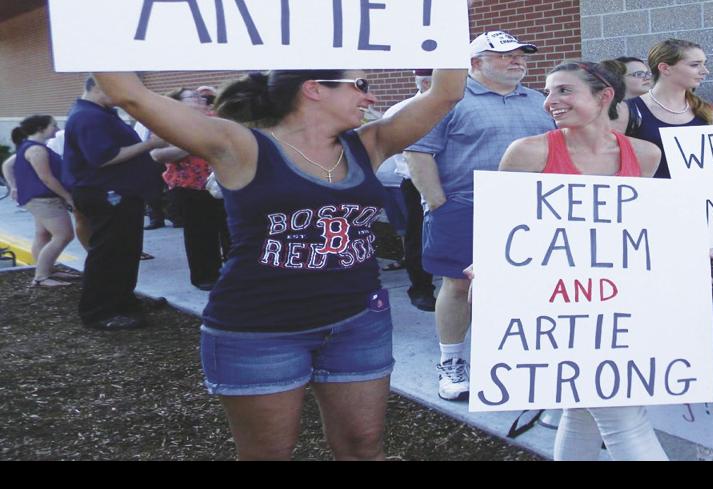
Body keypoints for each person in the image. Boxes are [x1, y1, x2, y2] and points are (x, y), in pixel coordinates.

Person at [91, 66, 465, 460]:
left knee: (363, 448)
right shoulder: (241, 145)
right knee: (268, 454)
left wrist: (440, 29)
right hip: (260, 332)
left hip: (358, 323)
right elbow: (131, 95)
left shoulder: (368, 144)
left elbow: (446, 93)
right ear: (313, 89)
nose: (370, 97)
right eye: (360, 86)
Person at [494, 61, 667, 461]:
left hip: (624, 303)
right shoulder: (529, 152)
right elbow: (502, 232)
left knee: (583, 411)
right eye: (548, 92)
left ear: (604, 96)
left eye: (564, 91)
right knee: (625, 418)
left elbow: (646, 227)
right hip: (556, 307)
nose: (550, 102)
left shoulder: (644, 155)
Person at [407, 30, 556, 401]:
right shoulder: (446, 100)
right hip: (464, 207)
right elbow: (418, 153)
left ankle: (517, 363)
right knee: (458, 286)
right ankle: (452, 361)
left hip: (533, 211)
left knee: (527, 289)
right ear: (475, 63)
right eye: (505, 55)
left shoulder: (540, 101)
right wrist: (437, 203)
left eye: (521, 54)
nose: (517, 60)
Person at [62, 76, 172, 330]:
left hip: (118, 194)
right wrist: (151, 144)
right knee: (109, 254)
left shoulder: (100, 113)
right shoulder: (89, 117)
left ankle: (122, 302)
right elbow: (103, 157)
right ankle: (100, 312)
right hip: (107, 195)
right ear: (99, 86)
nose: (124, 97)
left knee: (124, 252)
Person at [150, 87, 230, 290]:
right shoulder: (168, 122)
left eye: (200, 96)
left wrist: (218, 94)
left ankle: (234, 271)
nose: (199, 98)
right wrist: (195, 143)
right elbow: (158, 155)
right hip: (190, 187)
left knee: (231, 231)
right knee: (201, 234)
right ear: (178, 102)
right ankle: (206, 276)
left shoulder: (216, 117)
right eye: (192, 97)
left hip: (225, 183)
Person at [373, 69, 438, 311]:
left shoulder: (461, 105)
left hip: (457, 180)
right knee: (418, 237)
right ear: (423, 81)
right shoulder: (401, 111)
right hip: (415, 182)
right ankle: (421, 289)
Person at [624, 38, 713, 178]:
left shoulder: (706, 110)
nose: (705, 71)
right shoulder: (629, 110)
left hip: (699, 196)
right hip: (652, 196)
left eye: (704, 64)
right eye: (695, 65)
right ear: (665, 68)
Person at [10, 115, 79, 288]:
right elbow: (47, 178)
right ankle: (41, 277)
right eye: (53, 126)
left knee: (43, 234)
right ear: (41, 129)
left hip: (36, 199)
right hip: (44, 200)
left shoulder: (30, 146)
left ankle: (47, 269)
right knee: (64, 235)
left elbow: (7, 165)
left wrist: (14, 187)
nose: (56, 129)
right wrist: (68, 197)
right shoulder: (36, 151)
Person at [600, 57, 651, 135]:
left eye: (648, 74)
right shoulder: (611, 110)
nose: (647, 78)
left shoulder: (652, 107)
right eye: (639, 74)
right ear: (619, 78)